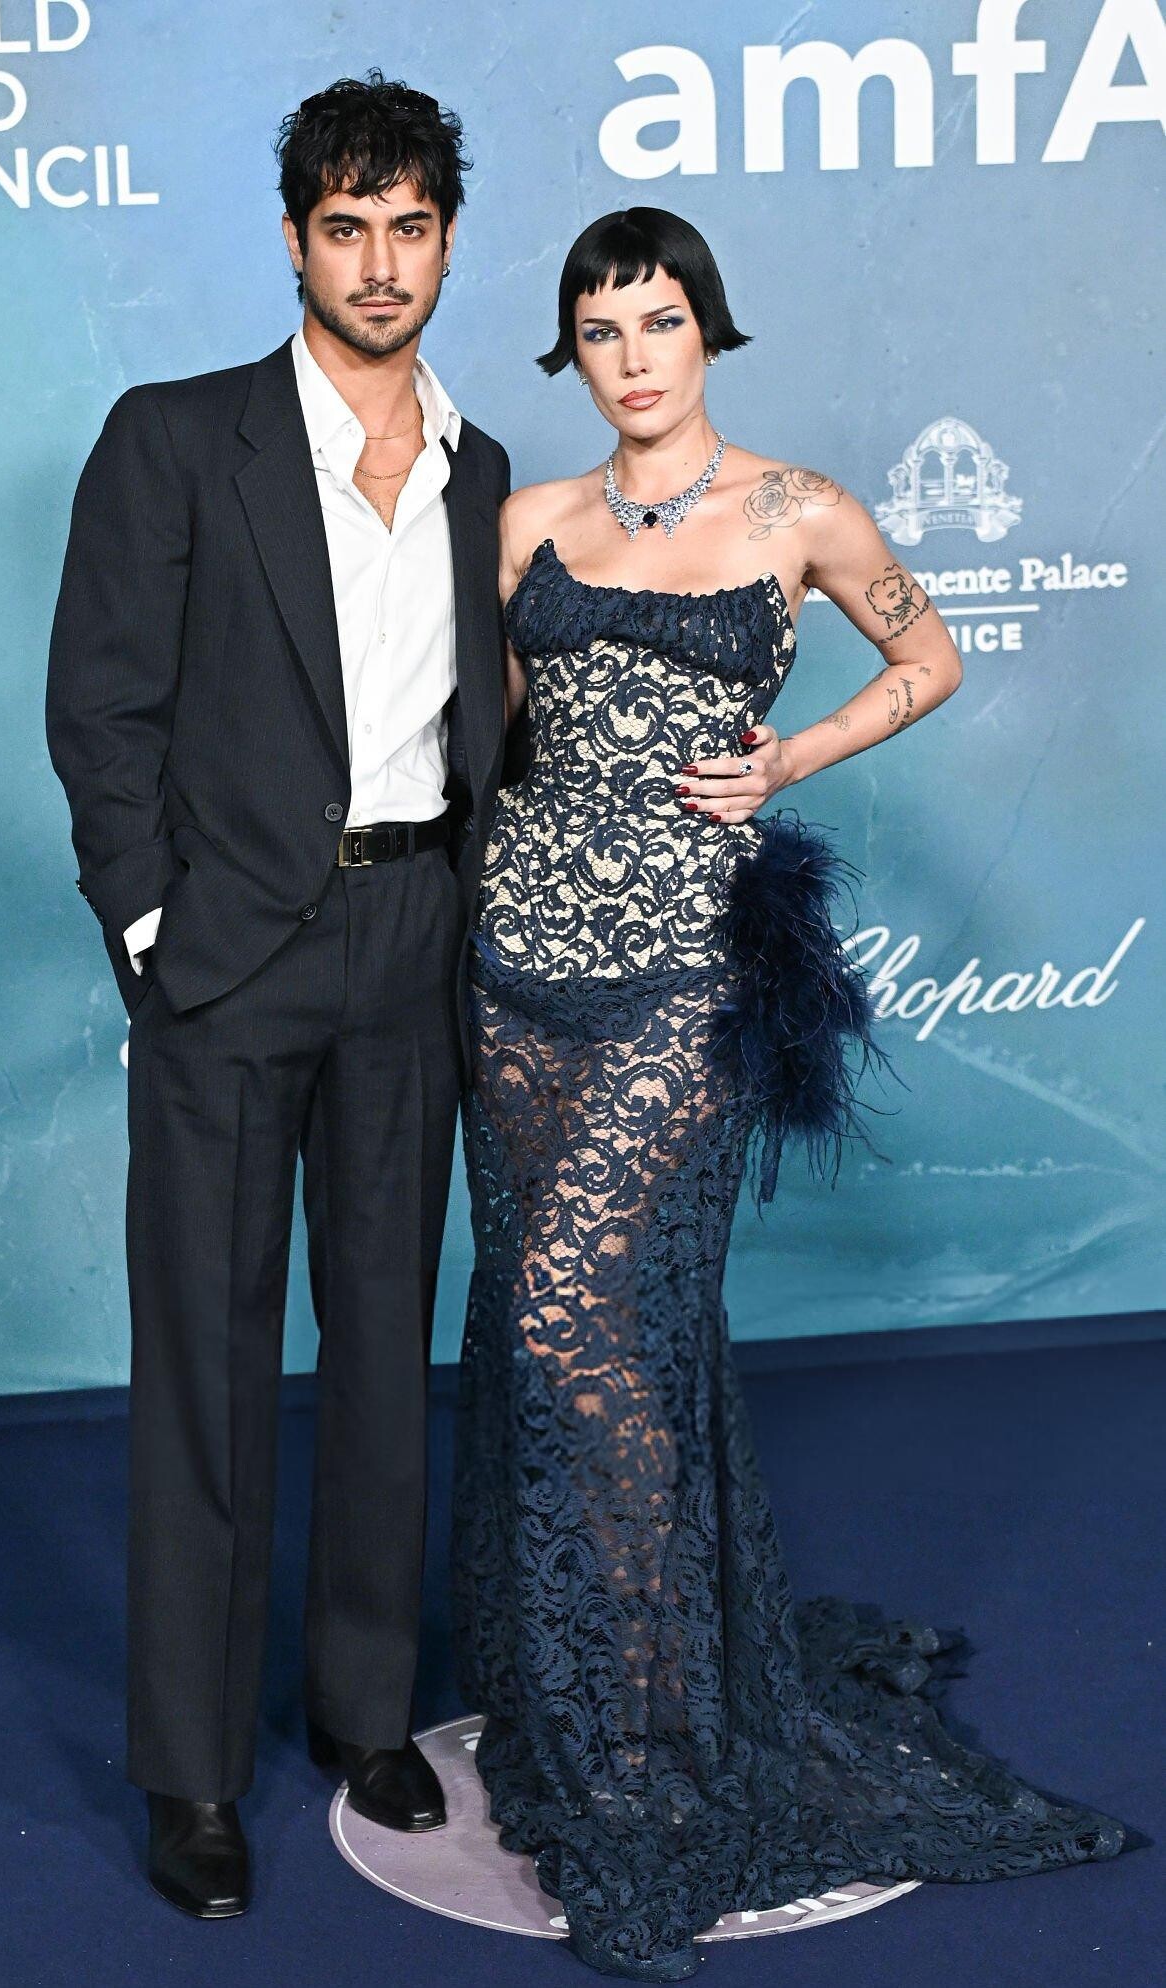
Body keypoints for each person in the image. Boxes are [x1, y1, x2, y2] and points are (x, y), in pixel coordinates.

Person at [449, 206, 1130, 1981]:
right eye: (603, 330)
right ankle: (572, 1686)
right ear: (576, 353)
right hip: (513, 975)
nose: (635, 357)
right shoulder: (527, 522)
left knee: (584, 1325)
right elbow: (485, 747)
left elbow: (932, 657)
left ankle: (651, 1741)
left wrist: (794, 756)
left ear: (710, 332)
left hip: (684, 977)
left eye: (662, 322)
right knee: (542, 1334)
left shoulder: (801, 509)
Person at [45, 71, 511, 1920]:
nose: (380, 262)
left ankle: (365, 1709)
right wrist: (154, 929)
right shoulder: (177, 438)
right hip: (228, 960)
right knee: (211, 1370)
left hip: (413, 946)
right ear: (298, 239)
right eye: (347, 227)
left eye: (410, 227)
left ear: (447, 241)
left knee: (388, 1350)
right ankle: (191, 1773)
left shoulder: (484, 470)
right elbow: (101, 707)